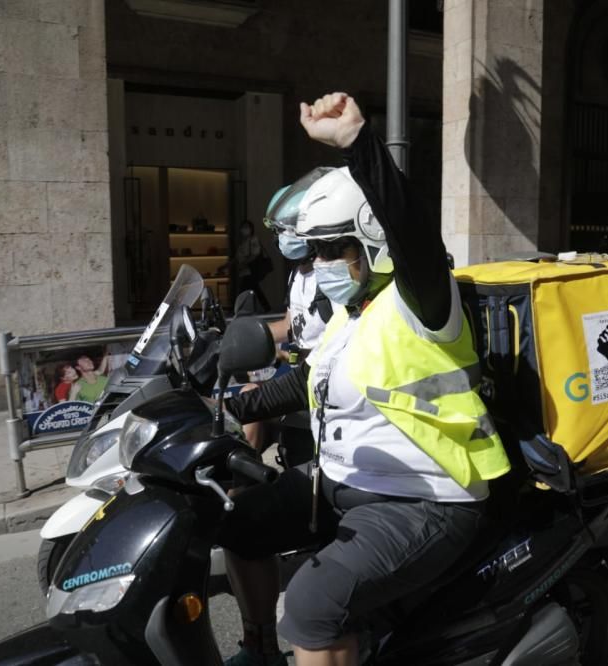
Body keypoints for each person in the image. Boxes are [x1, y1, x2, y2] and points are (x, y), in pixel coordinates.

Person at [217, 92, 511, 666]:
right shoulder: (351, 316)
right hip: (343, 483)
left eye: (333, 249)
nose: (318, 262)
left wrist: (357, 144)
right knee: (240, 523)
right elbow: (306, 383)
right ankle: (258, 648)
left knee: (311, 605)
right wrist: (230, 407)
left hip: (423, 499)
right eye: (313, 251)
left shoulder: (422, 303)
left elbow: (413, 231)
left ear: (372, 243)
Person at [241, 180, 335, 455]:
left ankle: (239, 493)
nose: (281, 237)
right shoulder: (298, 274)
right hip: (298, 369)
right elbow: (290, 325)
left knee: (249, 397)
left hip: (320, 375)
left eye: (285, 230)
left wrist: (285, 356)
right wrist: (245, 337)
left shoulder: (332, 277)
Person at [236, 219, 272, 312]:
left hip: (250, 270)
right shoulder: (242, 242)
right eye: (243, 227)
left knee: (245, 289)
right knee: (254, 289)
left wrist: (244, 263)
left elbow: (255, 254)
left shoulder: (253, 239)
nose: (244, 230)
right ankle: (265, 308)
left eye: (247, 227)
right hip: (246, 271)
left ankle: (241, 310)